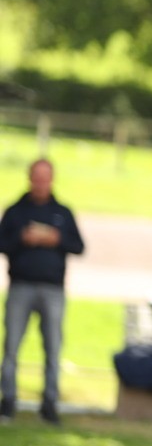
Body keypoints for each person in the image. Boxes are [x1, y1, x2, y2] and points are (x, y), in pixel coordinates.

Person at [0, 159, 85, 425]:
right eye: (36, 177)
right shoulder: (15, 211)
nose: (40, 182)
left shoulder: (62, 212)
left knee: (53, 348)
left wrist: (57, 240)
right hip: (21, 286)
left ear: (51, 179)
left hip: (53, 289)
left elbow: (78, 246)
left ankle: (49, 406)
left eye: (44, 177)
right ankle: (8, 403)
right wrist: (22, 239)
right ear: (29, 178)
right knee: (11, 347)